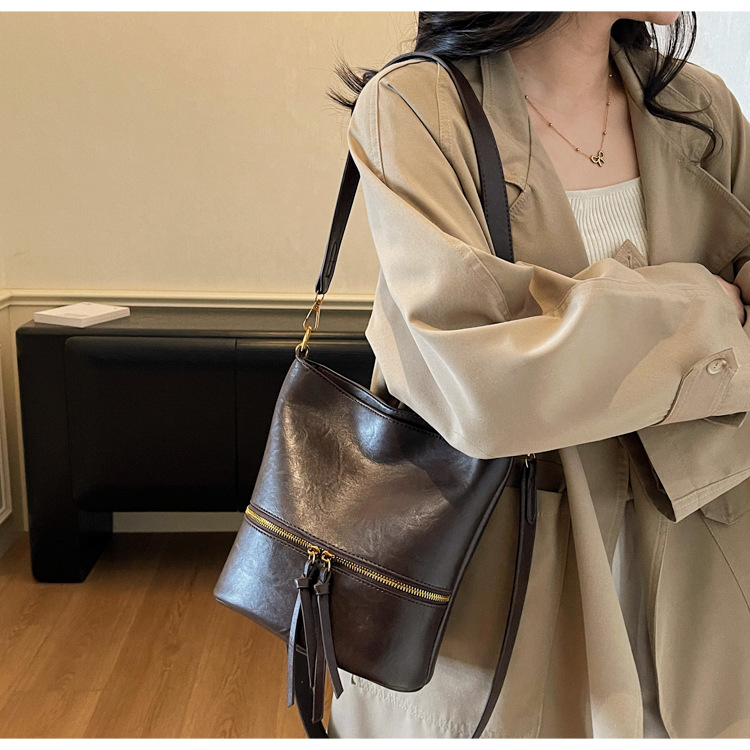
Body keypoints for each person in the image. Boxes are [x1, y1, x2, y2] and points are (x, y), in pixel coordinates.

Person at [324, 11, 750, 739]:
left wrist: (573, 335)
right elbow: (482, 386)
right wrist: (708, 314)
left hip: (705, 571)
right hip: (509, 574)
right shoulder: (417, 109)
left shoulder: (698, 105)